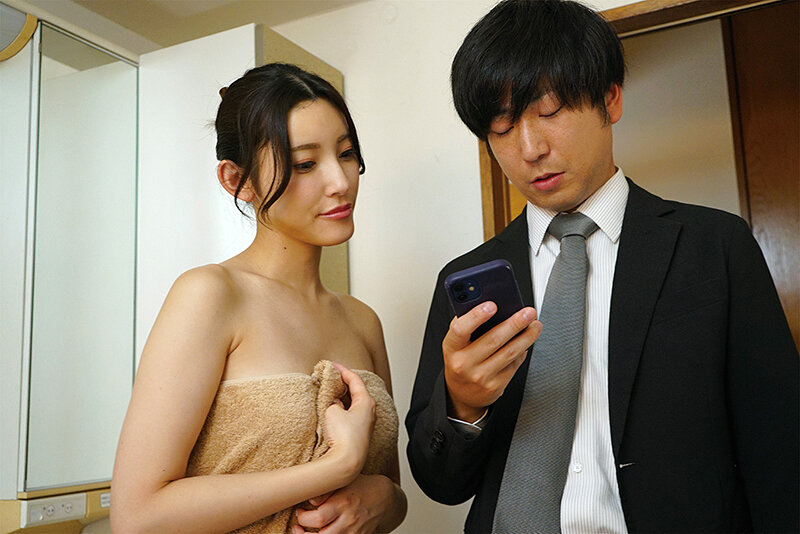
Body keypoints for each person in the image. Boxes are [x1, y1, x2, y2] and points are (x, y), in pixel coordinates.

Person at [405, 1, 799, 532]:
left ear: (610, 100)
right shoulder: (469, 278)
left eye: (550, 112)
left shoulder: (715, 247)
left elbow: (780, 448)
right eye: (501, 127)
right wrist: (462, 406)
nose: (530, 148)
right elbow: (440, 484)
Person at [112, 63, 407, 534]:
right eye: (305, 164)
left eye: (347, 153)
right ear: (237, 180)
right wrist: (337, 466)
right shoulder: (210, 295)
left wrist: (387, 500)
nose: (341, 181)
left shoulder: (362, 320)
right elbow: (136, 518)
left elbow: (389, 488)